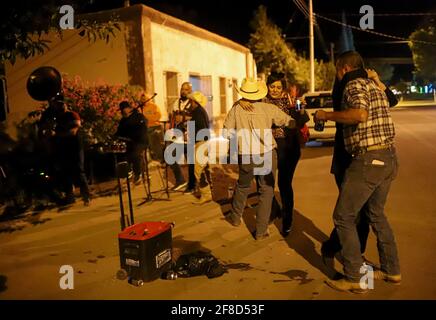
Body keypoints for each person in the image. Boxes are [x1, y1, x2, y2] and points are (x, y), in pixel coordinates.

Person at [314, 51, 401, 293]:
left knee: (344, 216)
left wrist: (327, 115)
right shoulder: (375, 86)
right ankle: (391, 270)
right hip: (389, 157)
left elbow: (359, 114)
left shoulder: (352, 84)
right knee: (376, 215)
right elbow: (388, 104)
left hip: (368, 159)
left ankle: (353, 276)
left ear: (342, 68)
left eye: (336, 71)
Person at [223, 78, 296, 240]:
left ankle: (235, 218)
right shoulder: (268, 108)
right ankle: (261, 230)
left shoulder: (236, 108)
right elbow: (289, 122)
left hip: (246, 153)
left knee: (243, 185)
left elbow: (226, 132)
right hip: (266, 153)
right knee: (266, 190)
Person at [237, 73, 309, 236]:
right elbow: (241, 107)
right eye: (272, 86)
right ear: (267, 87)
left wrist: (300, 107)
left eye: (278, 87)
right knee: (265, 184)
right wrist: (242, 101)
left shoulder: (290, 101)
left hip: (288, 147)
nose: (275, 90)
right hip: (267, 147)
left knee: (284, 184)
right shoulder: (260, 101)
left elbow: (302, 119)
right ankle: (274, 210)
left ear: (282, 88)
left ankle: (287, 220)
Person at [50, 94, 91, 206]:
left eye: (61, 103)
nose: (59, 106)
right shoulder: (57, 118)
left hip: (75, 147)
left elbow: (74, 131)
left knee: (79, 171)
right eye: (57, 104)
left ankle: (86, 196)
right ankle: (70, 196)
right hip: (64, 149)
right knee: (66, 172)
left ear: (65, 104)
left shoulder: (72, 115)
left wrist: (57, 134)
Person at [184, 91, 213, 205]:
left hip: (201, 142)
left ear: (194, 102)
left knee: (198, 170)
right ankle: (209, 189)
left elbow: (200, 128)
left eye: (191, 101)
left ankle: (206, 194)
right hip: (203, 142)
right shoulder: (200, 111)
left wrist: (189, 129)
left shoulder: (197, 112)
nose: (189, 103)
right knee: (204, 167)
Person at [167, 82, 195, 192]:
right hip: (178, 134)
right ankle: (180, 180)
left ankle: (194, 185)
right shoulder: (176, 102)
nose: (183, 91)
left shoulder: (194, 103)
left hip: (190, 135)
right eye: (182, 89)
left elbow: (196, 117)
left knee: (191, 162)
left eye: (186, 89)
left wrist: (183, 118)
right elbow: (173, 117)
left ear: (190, 91)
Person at [115, 101, 148, 185]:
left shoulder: (138, 116)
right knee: (120, 153)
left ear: (129, 108)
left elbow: (142, 130)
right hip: (128, 143)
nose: (122, 111)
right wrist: (115, 136)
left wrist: (133, 137)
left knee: (134, 154)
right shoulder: (123, 120)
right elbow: (119, 132)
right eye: (121, 110)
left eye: (124, 109)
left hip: (140, 142)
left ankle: (138, 174)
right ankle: (126, 174)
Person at [138, 93, 163, 163]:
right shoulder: (140, 108)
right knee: (147, 145)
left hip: (155, 127)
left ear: (148, 98)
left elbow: (158, 116)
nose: (143, 100)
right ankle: (150, 159)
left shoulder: (154, 106)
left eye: (145, 98)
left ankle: (161, 159)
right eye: (142, 99)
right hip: (145, 128)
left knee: (157, 145)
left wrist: (148, 119)